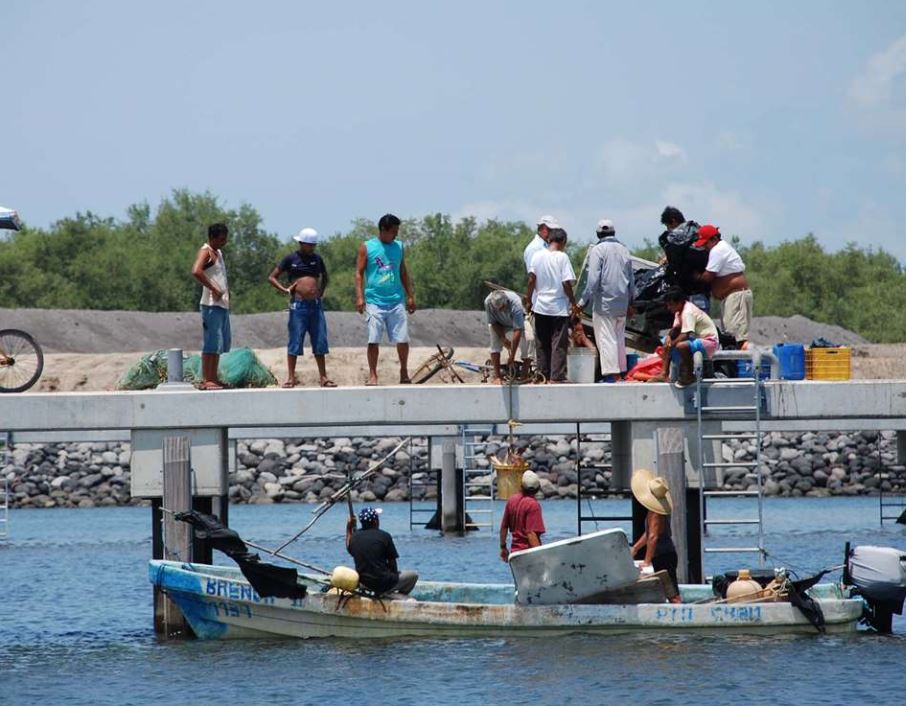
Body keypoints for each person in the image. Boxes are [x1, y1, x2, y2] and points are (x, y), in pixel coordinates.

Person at [267, 227, 336, 388]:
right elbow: (272, 277)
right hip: (298, 306)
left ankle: (323, 377)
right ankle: (291, 377)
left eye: (314, 245)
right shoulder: (291, 259)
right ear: (301, 243)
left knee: (320, 340)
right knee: (295, 340)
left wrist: (321, 292)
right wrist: (284, 289)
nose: (312, 248)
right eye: (309, 245)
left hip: (316, 306)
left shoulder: (317, 259)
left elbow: (325, 276)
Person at [354, 214, 417, 386]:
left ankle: (403, 371)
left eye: (397, 231)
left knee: (403, 339)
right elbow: (359, 273)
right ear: (383, 230)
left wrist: (410, 295)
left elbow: (403, 271)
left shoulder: (399, 246)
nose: (396, 235)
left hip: (396, 300)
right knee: (373, 339)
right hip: (374, 301)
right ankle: (373, 374)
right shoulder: (367, 247)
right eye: (393, 232)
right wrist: (360, 297)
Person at [576, 219, 635, 382]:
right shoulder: (624, 250)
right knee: (619, 339)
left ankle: (612, 375)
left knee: (606, 338)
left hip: (604, 305)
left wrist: (582, 302)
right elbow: (631, 279)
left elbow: (593, 280)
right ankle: (622, 373)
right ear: (613, 233)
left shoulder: (598, 250)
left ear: (598, 234)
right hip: (622, 304)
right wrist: (631, 303)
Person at [525, 228, 577, 383]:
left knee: (541, 342)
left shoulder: (537, 256)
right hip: (558, 307)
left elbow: (531, 280)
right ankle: (556, 376)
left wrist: (529, 299)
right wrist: (573, 302)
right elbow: (566, 283)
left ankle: (542, 375)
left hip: (540, 306)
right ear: (563, 243)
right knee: (558, 343)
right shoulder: (562, 257)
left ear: (549, 240)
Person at [693, 224, 753, 348]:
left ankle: (753, 361)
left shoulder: (718, 250)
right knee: (731, 336)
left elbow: (708, 276)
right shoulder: (720, 248)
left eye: (705, 244)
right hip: (730, 297)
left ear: (713, 239)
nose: (704, 247)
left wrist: (695, 275)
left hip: (736, 296)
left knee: (738, 337)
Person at [629, 468, 681, 603]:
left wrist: (647, 561)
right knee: (667, 592)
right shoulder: (657, 510)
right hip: (663, 555)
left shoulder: (655, 513)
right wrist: (635, 548)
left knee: (672, 594)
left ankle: (682, 617)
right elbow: (649, 533)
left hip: (664, 556)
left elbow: (653, 537)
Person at [191, 222, 231, 390]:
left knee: (220, 343)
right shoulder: (206, 251)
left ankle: (213, 377)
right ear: (212, 237)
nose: (224, 242)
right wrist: (213, 288)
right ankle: (207, 379)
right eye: (221, 239)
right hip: (210, 304)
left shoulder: (218, 253)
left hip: (221, 305)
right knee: (211, 341)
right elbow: (196, 271)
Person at [346, 506, 418, 595]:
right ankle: (396, 595)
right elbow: (393, 564)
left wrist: (348, 528)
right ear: (376, 521)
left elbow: (349, 548)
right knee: (413, 576)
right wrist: (393, 577)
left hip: (364, 583)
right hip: (383, 583)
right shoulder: (384, 536)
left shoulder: (354, 537)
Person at [662, 286, 720, 388]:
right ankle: (664, 374)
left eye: (671, 305)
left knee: (681, 346)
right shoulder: (678, 312)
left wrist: (672, 344)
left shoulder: (688, 311)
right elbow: (676, 328)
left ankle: (688, 375)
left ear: (679, 302)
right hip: (697, 339)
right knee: (665, 342)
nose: (669, 308)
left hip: (709, 342)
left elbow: (686, 333)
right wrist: (669, 337)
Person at [659, 206, 710, 312]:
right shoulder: (696, 231)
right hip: (702, 290)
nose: (668, 229)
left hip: (688, 290)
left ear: (673, 221)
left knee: (691, 324)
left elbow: (675, 264)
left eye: (667, 226)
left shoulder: (676, 237)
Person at [484, 289, 532, 384]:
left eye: (502, 308)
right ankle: (497, 377)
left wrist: (512, 356)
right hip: (498, 324)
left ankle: (524, 374)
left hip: (516, 322)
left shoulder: (516, 303)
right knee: (495, 345)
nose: (500, 310)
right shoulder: (488, 302)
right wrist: (503, 339)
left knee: (529, 337)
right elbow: (493, 322)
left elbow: (517, 329)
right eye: (497, 309)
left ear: (506, 302)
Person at [499, 470, 546, 562]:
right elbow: (531, 534)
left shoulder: (511, 501)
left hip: (515, 555)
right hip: (529, 554)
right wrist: (541, 558)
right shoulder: (533, 505)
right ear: (537, 489)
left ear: (521, 486)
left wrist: (503, 547)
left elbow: (503, 528)